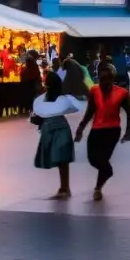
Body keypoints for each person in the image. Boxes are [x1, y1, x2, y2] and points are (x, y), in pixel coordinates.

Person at [74, 64, 130, 201]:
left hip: (112, 131)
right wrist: (81, 128)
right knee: (92, 158)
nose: (104, 83)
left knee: (103, 159)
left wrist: (128, 132)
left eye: (107, 80)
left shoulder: (122, 92)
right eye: (101, 80)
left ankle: (98, 188)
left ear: (112, 79)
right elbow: (90, 111)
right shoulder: (94, 91)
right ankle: (107, 172)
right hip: (96, 130)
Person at [31, 69, 81, 199]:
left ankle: (64, 188)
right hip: (61, 128)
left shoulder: (44, 98)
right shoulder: (60, 97)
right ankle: (65, 187)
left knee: (60, 160)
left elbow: (37, 117)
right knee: (62, 160)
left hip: (51, 129)